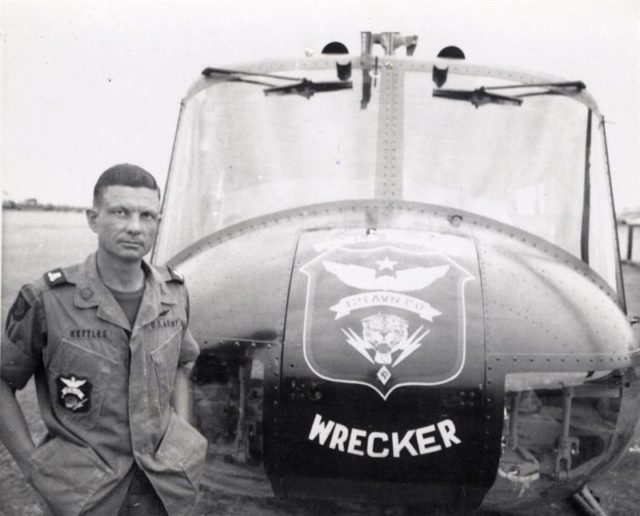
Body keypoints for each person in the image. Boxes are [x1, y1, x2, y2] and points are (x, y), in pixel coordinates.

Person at [0, 164, 207, 516]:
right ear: (93, 219)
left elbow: (182, 366)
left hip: (163, 489)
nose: (134, 227)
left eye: (147, 216)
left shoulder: (174, 294)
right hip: (85, 494)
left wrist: (182, 438)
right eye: (120, 212)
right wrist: (32, 464)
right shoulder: (47, 299)